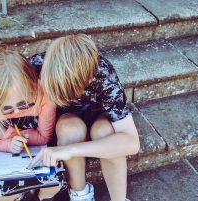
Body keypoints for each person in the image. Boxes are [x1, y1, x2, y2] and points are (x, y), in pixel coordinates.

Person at [28, 34, 140, 201]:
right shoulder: (37, 66)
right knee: (70, 129)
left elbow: (131, 143)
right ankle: (80, 194)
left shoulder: (102, 74)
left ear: (89, 78)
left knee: (105, 132)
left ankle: (119, 199)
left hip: (98, 120)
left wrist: (71, 150)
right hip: (65, 124)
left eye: (65, 91)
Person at [0, 50, 64, 201]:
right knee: (5, 194)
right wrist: (8, 143)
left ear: (32, 85)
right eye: (6, 109)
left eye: (24, 104)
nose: (16, 112)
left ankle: (41, 197)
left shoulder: (44, 96)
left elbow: (44, 137)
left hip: (40, 151)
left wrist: (6, 133)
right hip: (6, 155)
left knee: (53, 183)